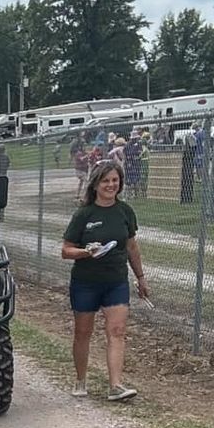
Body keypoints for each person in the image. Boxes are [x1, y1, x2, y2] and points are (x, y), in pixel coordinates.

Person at [60, 160, 149, 402]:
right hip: (86, 282)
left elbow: (131, 246)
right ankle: (80, 379)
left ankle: (115, 385)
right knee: (83, 332)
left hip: (116, 281)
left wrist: (140, 277)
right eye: (106, 181)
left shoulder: (125, 211)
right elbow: (66, 250)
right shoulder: (84, 214)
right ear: (96, 184)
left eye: (115, 180)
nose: (111, 185)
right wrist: (86, 252)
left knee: (117, 331)